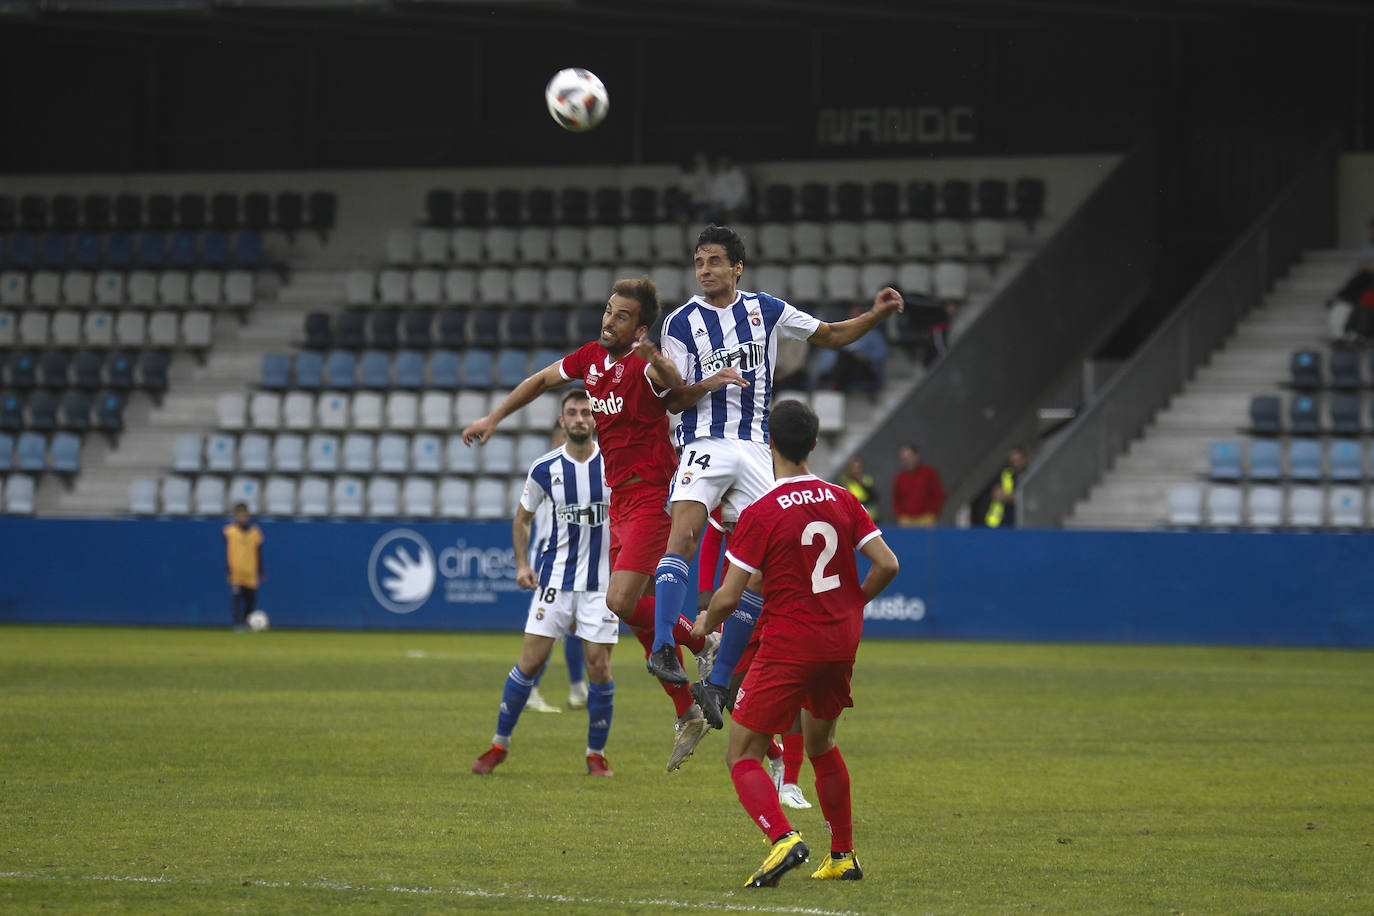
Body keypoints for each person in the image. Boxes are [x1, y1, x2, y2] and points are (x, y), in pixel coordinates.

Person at [461, 276, 724, 772]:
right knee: (638, 611)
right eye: (608, 309)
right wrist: (494, 418)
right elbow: (540, 381)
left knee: (620, 601)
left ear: (640, 327)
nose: (609, 319)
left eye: (621, 315)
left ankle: (702, 648)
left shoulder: (642, 365)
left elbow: (670, 381)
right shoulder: (588, 359)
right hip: (619, 500)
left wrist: (655, 357)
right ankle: (691, 682)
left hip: (651, 494)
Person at [647, 224, 903, 714]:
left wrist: (876, 314)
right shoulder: (679, 324)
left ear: (736, 266)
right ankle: (663, 646)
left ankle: (719, 684)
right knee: (683, 534)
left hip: (755, 449)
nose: (705, 270)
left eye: (715, 261)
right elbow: (673, 400)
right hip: (705, 440)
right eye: (699, 262)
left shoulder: (765, 309)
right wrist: (711, 383)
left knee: (763, 566)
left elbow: (830, 335)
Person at [689, 399, 900, 887]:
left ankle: (783, 838)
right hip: (840, 642)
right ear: (815, 443)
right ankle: (843, 855)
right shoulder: (843, 497)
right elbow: (887, 564)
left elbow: (728, 595)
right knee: (824, 742)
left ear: (769, 445)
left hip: (790, 642)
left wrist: (703, 625)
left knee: (741, 754)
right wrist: (853, 605)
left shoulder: (762, 511)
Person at [472, 390, 619, 777]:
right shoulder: (544, 468)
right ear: (561, 421)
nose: (579, 418)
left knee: (599, 667)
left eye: (586, 412)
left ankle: (595, 753)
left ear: (595, 418)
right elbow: (522, 519)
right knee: (531, 661)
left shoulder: (614, 464)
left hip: (602, 584)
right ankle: (498, 744)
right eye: (571, 412)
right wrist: (522, 565)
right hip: (554, 579)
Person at [524, 420, 587, 714]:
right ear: (555, 440)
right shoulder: (548, 474)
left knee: (575, 627)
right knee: (549, 629)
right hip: (551, 558)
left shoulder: (588, 474)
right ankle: (530, 689)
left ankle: (577, 690)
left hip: (576, 559)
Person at [814, 302, 889, 393]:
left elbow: (882, 352)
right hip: (844, 367)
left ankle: (835, 385)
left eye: (858, 315)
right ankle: (834, 382)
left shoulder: (873, 334)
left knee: (845, 357)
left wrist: (866, 356)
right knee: (842, 356)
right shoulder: (842, 332)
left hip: (863, 367)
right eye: (852, 315)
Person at [223, 502, 263, 631]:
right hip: (236, 572)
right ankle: (237, 624)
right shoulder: (230, 532)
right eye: (239, 515)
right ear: (235, 516)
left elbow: (259, 552)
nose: (242, 518)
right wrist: (227, 568)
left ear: (248, 516)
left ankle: (247, 622)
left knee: (250, 600)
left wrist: (261, 569)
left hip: (250, 572)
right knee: (236, 601)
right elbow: (226, 551)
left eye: (244, 515)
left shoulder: (255, 533)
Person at [971, 445, 1029, 528]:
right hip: (1003, 525)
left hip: (1026, 525)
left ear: (1025, 459)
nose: (1015, 464)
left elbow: (1032, 498)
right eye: (1013, 461)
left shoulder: (1033, 475)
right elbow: (997, 494)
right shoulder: (1005, 475)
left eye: (1018, 460)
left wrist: (1010, 497)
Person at [891, 443, 944, 526]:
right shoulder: (900, 477)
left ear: (916, 456)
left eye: (910, 457)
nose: (907, 461)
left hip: (926, 519)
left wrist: (933, 514)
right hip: (907, 520)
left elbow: (938, 495)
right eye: (904, 459)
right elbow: (896, 499)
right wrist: (900, 515)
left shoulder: (929, 473)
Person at [706, 156, 750, 224]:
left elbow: (741, 196)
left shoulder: (739, 175)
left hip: (737, 207)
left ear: (730, 162)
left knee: (733, 220)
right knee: (710, 215)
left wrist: (732, 208)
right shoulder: (718, 175)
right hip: (721, 209)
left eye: (725, 161)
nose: (723, 164)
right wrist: (717, 204)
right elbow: (714, 195)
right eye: (721, 162)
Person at [837, 455, 879, 522]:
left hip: (872, 519)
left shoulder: (866, 479)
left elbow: (875, 497)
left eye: (859, 468)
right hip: (855, 520)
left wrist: (863, 484)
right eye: (854, 468)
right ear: (849, 469)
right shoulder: (844, 482)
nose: (857, 471)